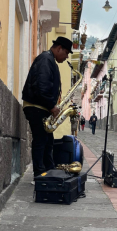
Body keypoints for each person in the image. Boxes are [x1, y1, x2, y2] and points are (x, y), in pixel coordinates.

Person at [22, 36, 73, 183]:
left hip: (40, 106)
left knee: (47, 140)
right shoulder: (46, 59)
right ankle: (39, 175)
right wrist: (52, 106)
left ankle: (49, 172)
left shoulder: (49, 60)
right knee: (40, 140)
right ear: (59, 49)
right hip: (37, 107)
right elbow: (41, 86)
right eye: (67, 53)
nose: (66, 57)